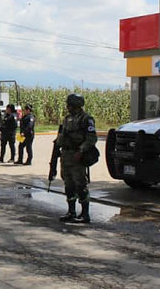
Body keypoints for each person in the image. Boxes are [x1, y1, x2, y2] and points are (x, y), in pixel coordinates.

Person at [56, 94, 97, 223]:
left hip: (77, 156)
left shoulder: (86, 119)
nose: (67, 106)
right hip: (66, 155)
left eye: (69, 104)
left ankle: (85, 214)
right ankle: (71, 211)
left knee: (80, 185)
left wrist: (81, 150)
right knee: (68, 184)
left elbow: (91, 138)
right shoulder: (67, 118)